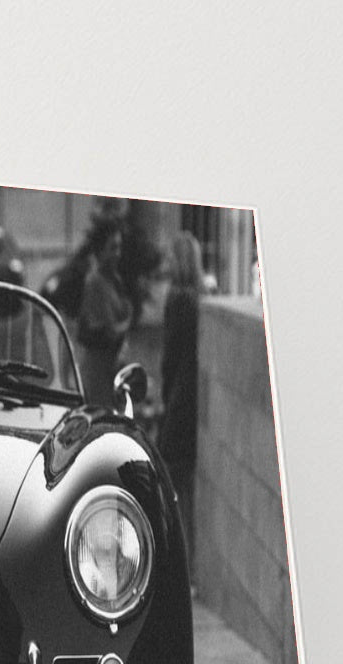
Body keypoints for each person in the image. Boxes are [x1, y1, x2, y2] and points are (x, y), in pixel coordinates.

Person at [159, 231, 206, 569]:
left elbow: (171, 359)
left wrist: (166, 401)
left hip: (178, 400)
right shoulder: (199, 300)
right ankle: (188, 565)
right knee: (186, 486)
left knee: (171, 485)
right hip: (192, 402)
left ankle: (180, 565)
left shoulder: (178, 300)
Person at [76, 222, 133, 406]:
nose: (117, 253)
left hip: (113, 367)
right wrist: (128, 321)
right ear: (100, 251)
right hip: (98, 370)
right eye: (112, 248)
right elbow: (110, 330)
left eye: (119, 247)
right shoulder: (95, 283)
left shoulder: (114, 279)